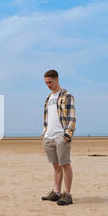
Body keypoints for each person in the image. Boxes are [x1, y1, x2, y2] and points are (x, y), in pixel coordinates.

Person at [41, 70, 76, 206]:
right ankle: (56, 192)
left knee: (65, 165)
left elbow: (72, 117)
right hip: (49, 136)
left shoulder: (67, 96)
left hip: (61, 135)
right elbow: (47, 118)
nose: (48, 85)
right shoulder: (48, 98)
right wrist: (45, 133)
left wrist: (68, 134)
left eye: (50, 82)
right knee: (55, 166)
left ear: (56, 80)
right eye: (46, 83)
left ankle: (67, 194)